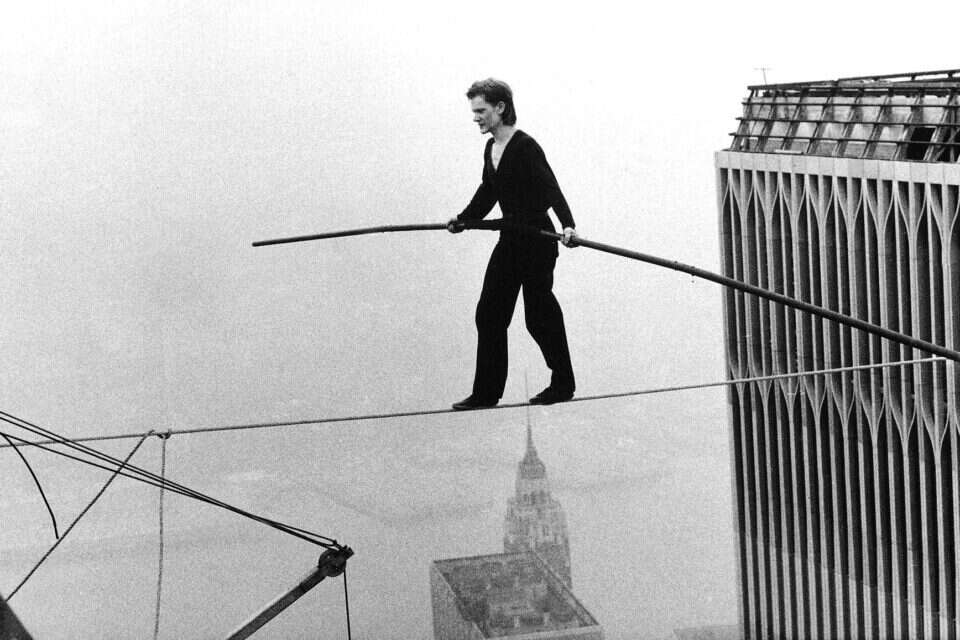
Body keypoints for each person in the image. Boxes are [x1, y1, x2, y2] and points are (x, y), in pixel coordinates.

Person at [448, 78, 578, 410]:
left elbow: (551, 189)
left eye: (481, 110)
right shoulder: (491, 149)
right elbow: (488, 192)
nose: (476, 117)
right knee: (489, 314)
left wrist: (568, 225)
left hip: (537, 240)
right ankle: (486, 393)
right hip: (510, 240)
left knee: (538, 315)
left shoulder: (525, 147)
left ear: (500, 107)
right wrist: (463, 219)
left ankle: (563, 384)